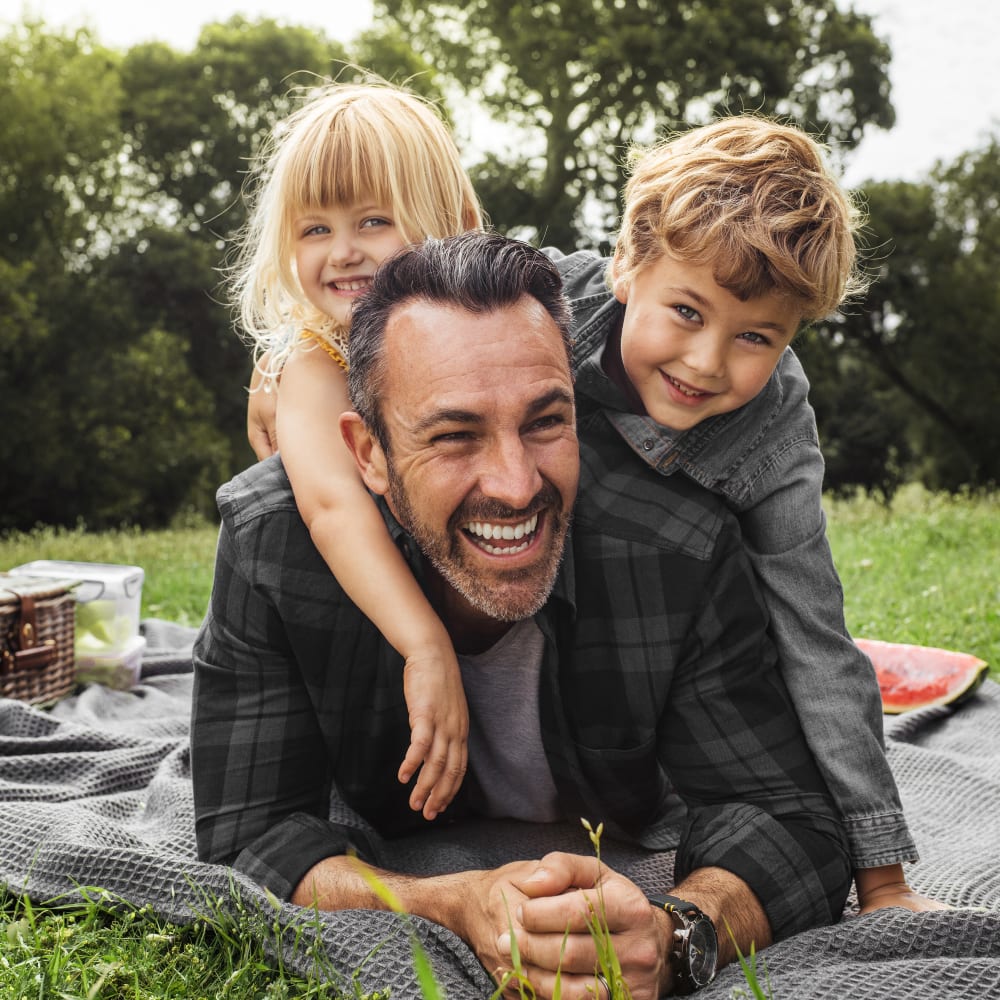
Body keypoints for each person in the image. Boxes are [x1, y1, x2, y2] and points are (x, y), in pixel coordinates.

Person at [245, 112, 941, 913]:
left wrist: (882, 878)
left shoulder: (774, 432)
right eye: (686, 313)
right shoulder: (544, 304)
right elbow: (424, 298)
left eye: (755, 337)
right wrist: (288, 363)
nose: (705, 361)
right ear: (625, 265)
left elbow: (816, 639)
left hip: (652, 655)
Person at [193, 232, 853, 1000]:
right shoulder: (274, 543)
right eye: (455, 436)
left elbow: (795, 824)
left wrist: (674, 934)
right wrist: (448, 904)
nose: (514, 485)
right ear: (367, 453)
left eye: (545, 422)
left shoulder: (674, 545)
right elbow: (251, 837)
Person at [230, 79, 482, 821]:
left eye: (373, 220)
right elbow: (332, 508)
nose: (342, 252)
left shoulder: (483, 324)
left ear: (454, 224)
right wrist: (425, 646)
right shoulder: (315, 360)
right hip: (366, 635)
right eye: (314, 229)